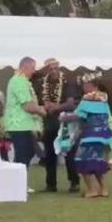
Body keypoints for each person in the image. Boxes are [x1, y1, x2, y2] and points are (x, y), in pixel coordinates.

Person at [62, 71, 112, 198]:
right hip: (103, 135)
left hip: (90, 134)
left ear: (91, 85)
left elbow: (79, 115)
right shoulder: (104, 99)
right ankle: (103, 189)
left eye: (85, 84)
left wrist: (64, 117)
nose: (83, 87)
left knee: (81, 160)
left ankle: (92, 189)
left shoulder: (86, 100)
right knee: (97, 160)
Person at [32, 59, 80, 193]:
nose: (53, 71)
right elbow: (35, 102)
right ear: (46, 70)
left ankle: (74, 182)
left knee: (69, 153)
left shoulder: (68, 82)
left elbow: (71, 104)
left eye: (55, 68)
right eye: (50, 68)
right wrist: (44, 106)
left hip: (65, 122)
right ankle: (51, 184)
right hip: (48, 122)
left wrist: (56, 107)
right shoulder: (40, 84)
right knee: (49, 154)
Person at [3, 57, 46, 193]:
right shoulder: (19, 81)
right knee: (23, 154)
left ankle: (19, 182)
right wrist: (41, 111)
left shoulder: (20, 81)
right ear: (25, 67)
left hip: (24, 124)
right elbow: (27, 105)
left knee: (28, 152)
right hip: (19, 124)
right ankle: (18, 185)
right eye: (33, 68)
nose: (34, 72)